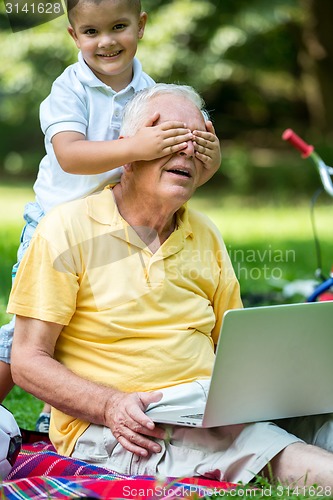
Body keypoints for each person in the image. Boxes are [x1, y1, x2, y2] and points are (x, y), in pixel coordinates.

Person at [9, 83, 333, 488]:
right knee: (280, 453)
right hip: (128, 427)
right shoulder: (67, 228)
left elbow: (232, 345)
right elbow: (26, 360)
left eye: (197, 141)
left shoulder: (206, 233)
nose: (186, 151)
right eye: (170, 138)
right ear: (129, 152)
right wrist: (110, 405)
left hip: (210, 408)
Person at [0, 0, 221, 433]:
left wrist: (209, 159)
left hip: (117, 222)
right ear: (73, 35)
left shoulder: (152, 91)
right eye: (90, 31)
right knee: (26, 335)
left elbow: (175, 168)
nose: (105, 41)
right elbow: (69, 155)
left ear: (140, 26)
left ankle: (58, 413)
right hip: (55, 224)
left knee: (94, 320)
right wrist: (136, 147)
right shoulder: (70, 88)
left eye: (118, 26)